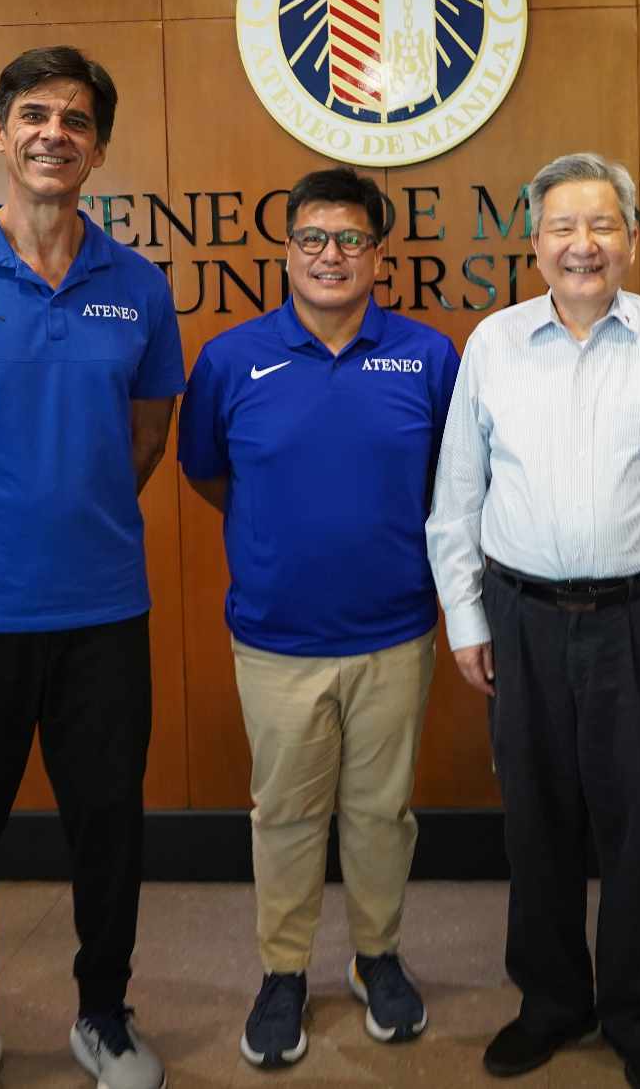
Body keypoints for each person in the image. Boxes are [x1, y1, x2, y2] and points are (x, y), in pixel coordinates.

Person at [0, 46, 184, 1089]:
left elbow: (146, 436)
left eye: (74, 119)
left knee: (109, 827)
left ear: (98, 147)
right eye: (33, 114)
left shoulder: (136, 286)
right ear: (0, 133)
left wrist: (73, 513)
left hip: (103, 609)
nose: (53, 132)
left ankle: (103, 1013)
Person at [426, 152, 640, 1089]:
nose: (582, 245)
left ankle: (639, 1015)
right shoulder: (492, 345)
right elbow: (457, 497)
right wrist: (465, 615)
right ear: (533, 245)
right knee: (535, 823)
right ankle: (552, 1000)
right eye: (562, 227)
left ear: (632, 240)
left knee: (637, 827)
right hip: (519, 616)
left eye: (602, 225)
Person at [178, 166, 460, 1069]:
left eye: (349, 240)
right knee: (287, 815)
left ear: (379, 253)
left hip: (395, 630)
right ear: (287, 250)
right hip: (277, 637)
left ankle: (378, 956)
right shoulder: (229, 359)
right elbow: (208, 473)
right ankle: (283, 972)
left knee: (383, 813)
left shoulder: (427, 357)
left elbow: (452, 488)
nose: (330, 256)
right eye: (312, 240)